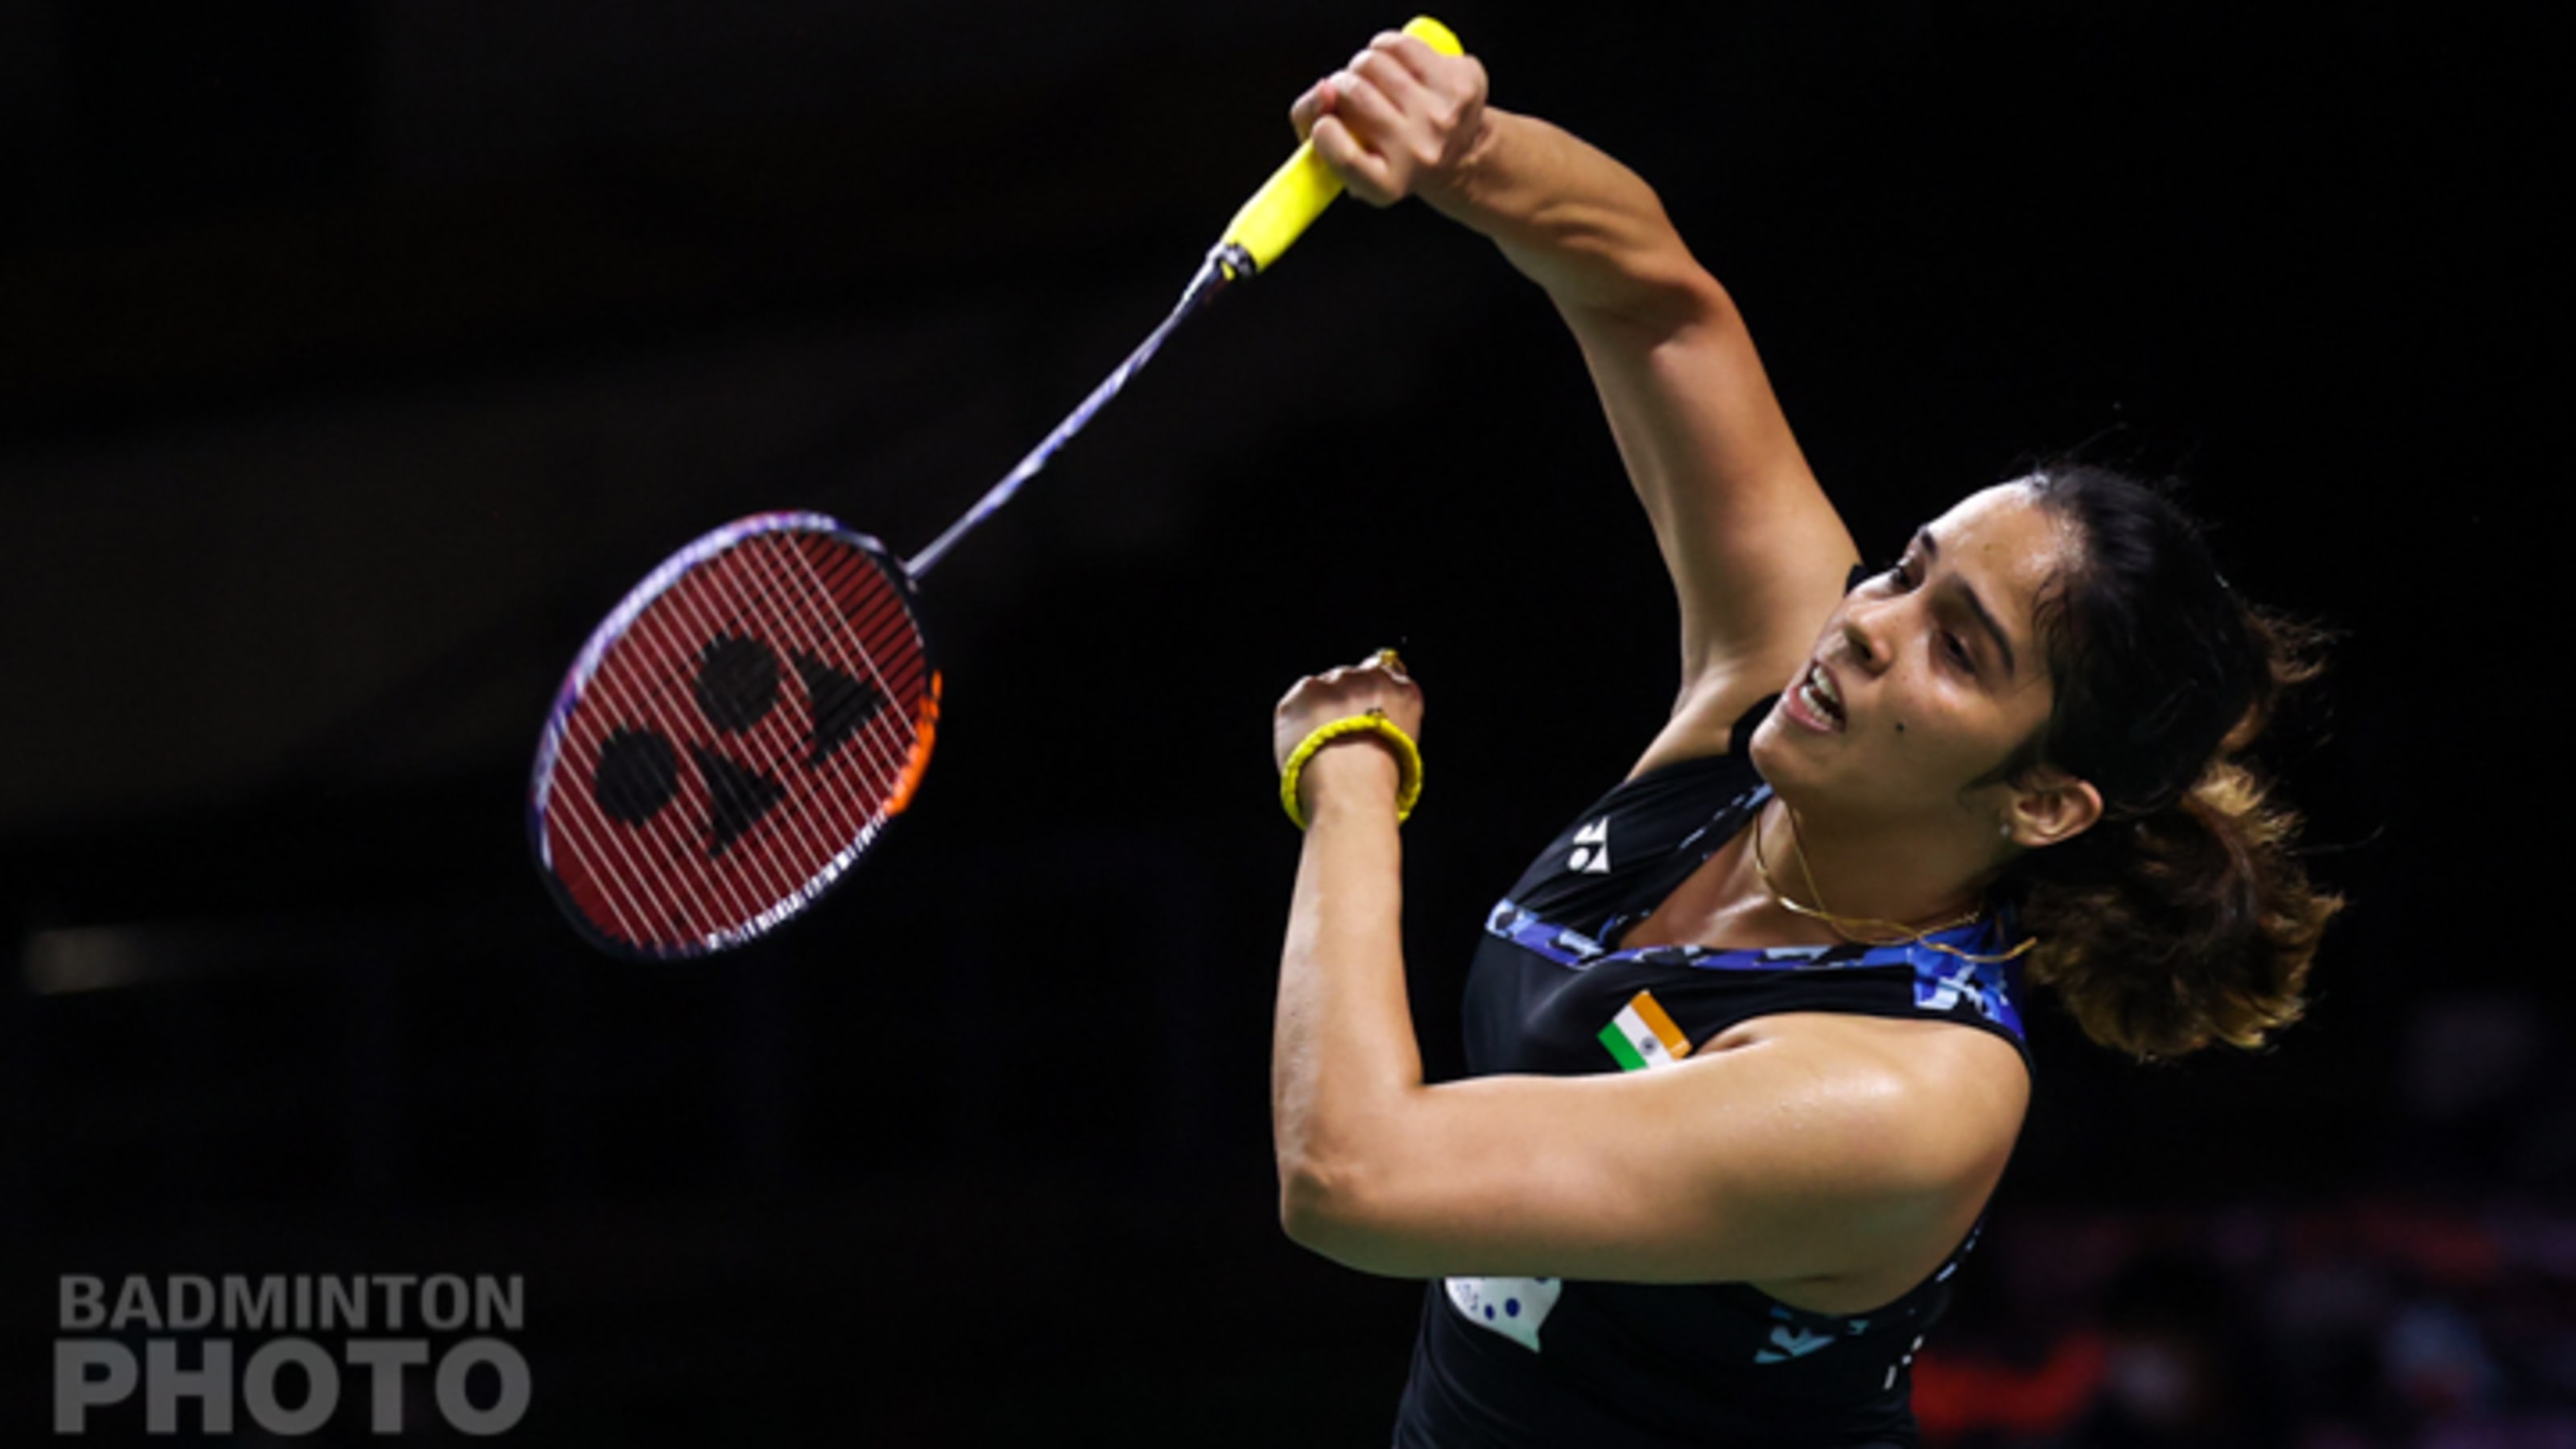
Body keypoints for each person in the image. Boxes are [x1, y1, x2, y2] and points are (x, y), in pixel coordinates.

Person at [1263, 31, 2342, 1448]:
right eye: (1906, 567)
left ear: (2047, 801)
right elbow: (1659, 304)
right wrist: (1466, 150)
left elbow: (1351, 1177)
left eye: (1959, 648)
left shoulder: (1905, 1093)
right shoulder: (1782, 697)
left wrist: (1350, 780)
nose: (1866, 624)